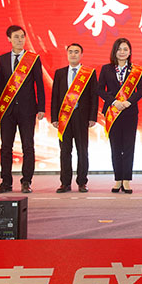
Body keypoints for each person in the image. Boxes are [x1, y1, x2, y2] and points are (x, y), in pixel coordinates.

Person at [0, 25, 45, 194]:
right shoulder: (2, 59)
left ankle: (26, 181)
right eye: (16, 37)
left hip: (27, 109)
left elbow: (39, 84)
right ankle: (6, 182)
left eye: (22, 36)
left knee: (28, 146)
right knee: (6, 147)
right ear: (9, 39)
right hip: (7, 109)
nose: (20, 40)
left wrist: (41, 107)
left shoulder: (33, 59)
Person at [98, 38, 142, 194]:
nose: (122, 52)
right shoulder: (106, 69)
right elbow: (100, 89)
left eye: (125, 49)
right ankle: (118, 179)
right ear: (114, 51)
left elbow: (141, 90)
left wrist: (128, 102)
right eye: (119, 49)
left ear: (130, 52)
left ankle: (126, 180)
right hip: (113, 112)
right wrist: (114, 102)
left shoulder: (135, 70)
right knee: (115, 147)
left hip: (130, 112)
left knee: (129, 147)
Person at [51, 43, 98, 193]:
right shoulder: (60, 73)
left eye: (76, 52)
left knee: (82, 150)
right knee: (65, 151)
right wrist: (54, 117)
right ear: (67, 54)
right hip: (64, 117)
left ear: (81, 55)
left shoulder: (89, 73)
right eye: (70, 52)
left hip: (81, 117)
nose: (73, 54)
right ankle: (65, 183)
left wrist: (92, 117)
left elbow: (94, 96)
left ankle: (82, 182)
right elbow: (55, 96)